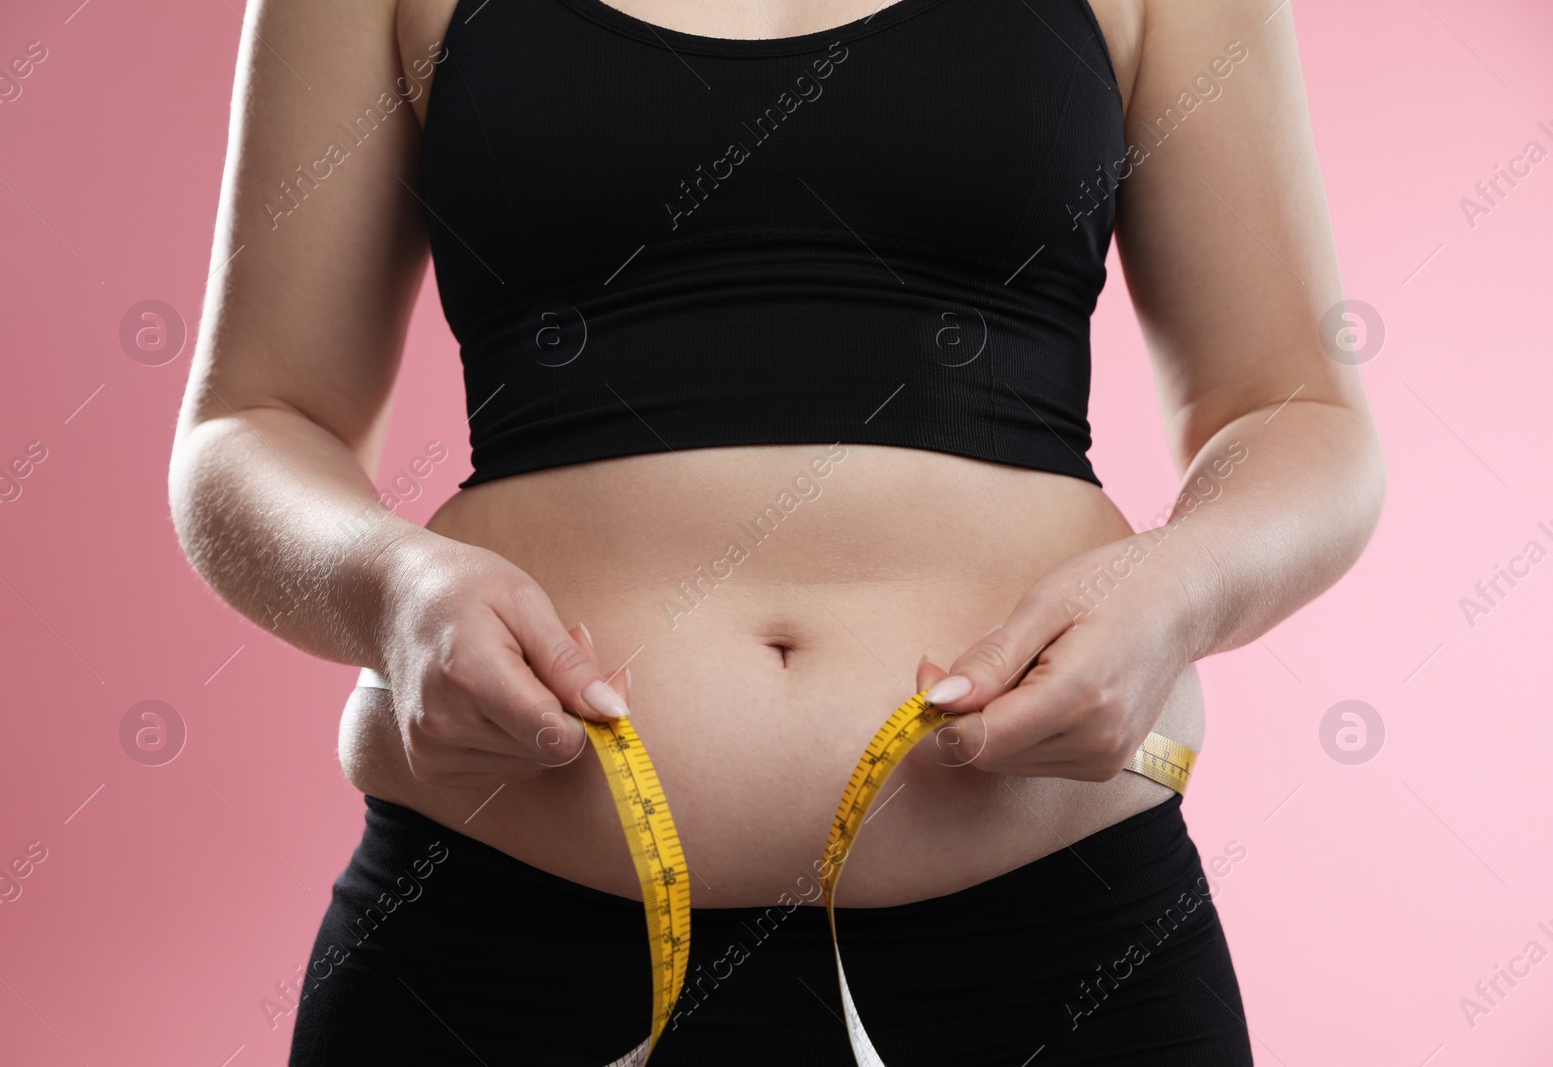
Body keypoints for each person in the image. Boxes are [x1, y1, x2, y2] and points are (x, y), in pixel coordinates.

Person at [167, 0, 1384, 1062]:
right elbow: (252, 424)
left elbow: (1300, 412)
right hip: (492, 941)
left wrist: (1171, 592)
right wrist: (392, 587)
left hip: (1054, 948)